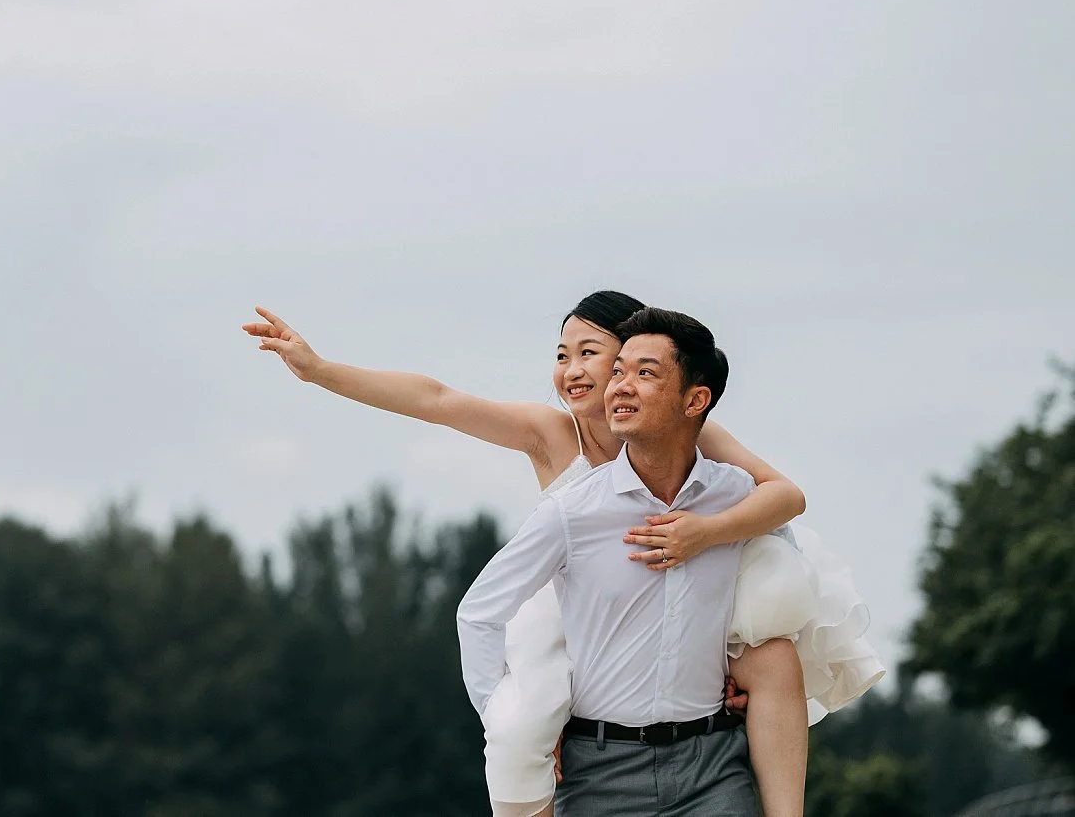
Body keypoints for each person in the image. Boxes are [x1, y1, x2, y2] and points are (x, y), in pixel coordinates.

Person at [244, 293, 879, 816]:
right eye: (561, 355)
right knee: (527, 721)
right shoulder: (552, 433)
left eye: (590, 354)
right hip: (574, 605)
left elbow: (783, 495)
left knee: (769, 642)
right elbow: (437, 400)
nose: (571, 371)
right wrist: (320, 370)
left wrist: (703, 536)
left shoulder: (697, 433)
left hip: (689, 591)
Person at [458, 307, 773, 815]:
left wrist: (746, 669)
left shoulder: (735, 495)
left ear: (696, 400)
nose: (619, 385)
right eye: (619, 370)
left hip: (713, 766)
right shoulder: (571, 510)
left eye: (644, 373)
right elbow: (478, 612)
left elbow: (780, 551)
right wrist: (509, 718)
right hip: (597, 769)